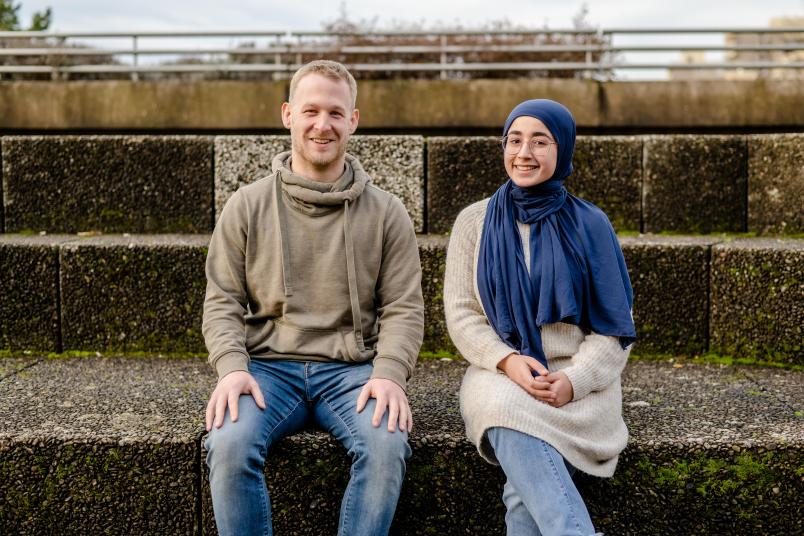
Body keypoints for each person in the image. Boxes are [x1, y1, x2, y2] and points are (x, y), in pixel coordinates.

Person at [202, 60, 424, 536]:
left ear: (354, 120)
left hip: (351, 371)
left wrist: (390, 375)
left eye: (336, 113)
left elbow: (404, 307)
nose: (323, 125)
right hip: (266, 368)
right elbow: (221, 299)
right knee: (228, 444)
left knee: (387, 445)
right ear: (288, 115)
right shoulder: (247, 205)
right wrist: (232, 369)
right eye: (310, 111)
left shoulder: (387, 213)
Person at [443, 99, 636, 536]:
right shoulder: (473, 222)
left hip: (579, 379)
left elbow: (614, 329)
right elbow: (462, 314)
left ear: (562, 148)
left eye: (540, 141)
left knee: (520, 492)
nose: (523, 153)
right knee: (502, 408)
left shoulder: (590, 224)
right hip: (501, 371)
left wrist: (575, 380)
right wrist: (508, 360)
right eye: (514, 140)